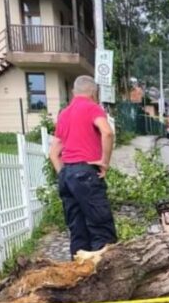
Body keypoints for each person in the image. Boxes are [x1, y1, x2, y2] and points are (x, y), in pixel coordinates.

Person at [48, 75, 117, 259]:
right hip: (86, 173)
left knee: (77, 231)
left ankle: (79, 276)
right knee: (101, 229)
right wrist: (104, 162)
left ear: (73, 92)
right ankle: (105, 276)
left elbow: (54, 153)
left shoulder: (64, 114)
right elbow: (107, 132)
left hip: (67, 175)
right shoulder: (92, 108)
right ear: (93, 93)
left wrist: (64, 174)